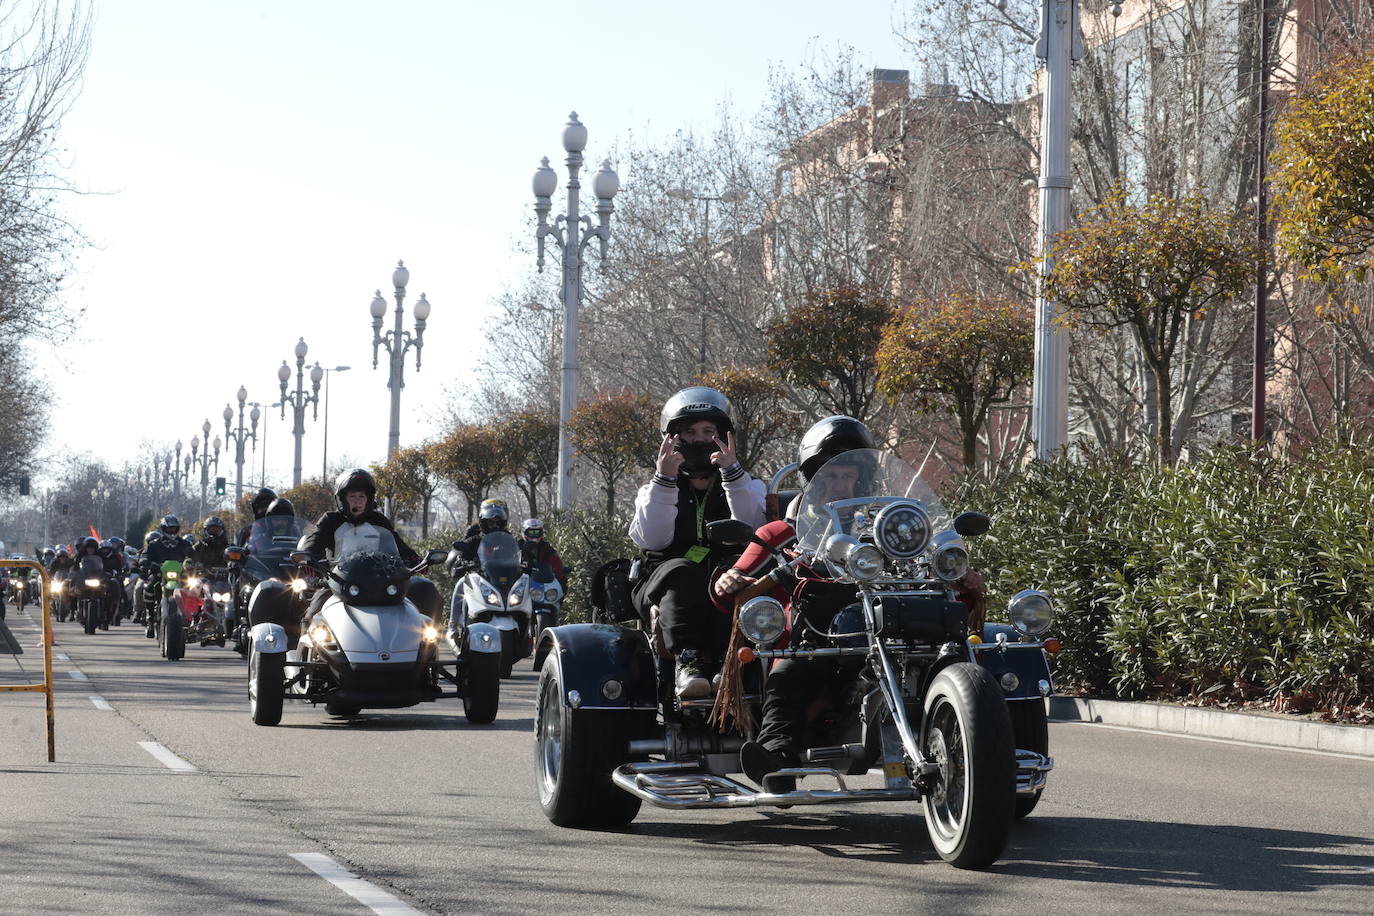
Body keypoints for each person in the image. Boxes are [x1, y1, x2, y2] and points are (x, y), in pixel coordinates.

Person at [712, 416, 987, 787]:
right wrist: (728, 581)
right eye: (830, 477)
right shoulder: (783, 533)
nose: (840, 485)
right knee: (785, 675)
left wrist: (960, 575)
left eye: (848, 476)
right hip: (813, 643)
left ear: (862, 479)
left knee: (973, 656)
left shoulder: (894, 529)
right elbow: (734, 593)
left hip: (894, 636)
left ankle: (988, 745)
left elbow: (942, 576)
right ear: (813, 481)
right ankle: (777, 756)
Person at [628, 386, 767, 699]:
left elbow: (755, 529)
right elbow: (653, 539)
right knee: (682, 569)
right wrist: (664, 479)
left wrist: (731, 473)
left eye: (709, 431)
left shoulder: (746, 483)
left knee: (732, 571)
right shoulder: (652, 489)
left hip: (727, 576)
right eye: (690, 432)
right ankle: (687, 663)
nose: (701, 439)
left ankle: (726, 663)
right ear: (673, 438)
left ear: (725, 435)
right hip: (664, 581)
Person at [299, 468, 421, 619]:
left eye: (361, 496)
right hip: (337, 583)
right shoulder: (330, 520)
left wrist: (415, 559)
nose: (358, 501)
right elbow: (314, 539)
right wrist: (307, 557)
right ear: (342, 499)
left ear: (368, 499)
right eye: (352, 496)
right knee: (313, 614)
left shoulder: (379, 521)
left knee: (415, 611)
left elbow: (398, 545)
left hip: (381, 583)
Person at [518, 518, 566, 587]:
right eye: (531, 532)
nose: (534, 535)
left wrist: (561, 577)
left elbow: (556, 562)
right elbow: (509, 563)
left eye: (537, 532)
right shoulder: (517, 546)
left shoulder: (546, 547)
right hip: (519, 583)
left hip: (542, 585)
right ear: (524, 532)